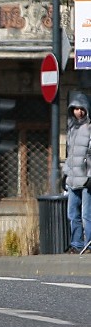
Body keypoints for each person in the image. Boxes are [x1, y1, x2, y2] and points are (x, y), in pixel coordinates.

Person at [61, 92, 91, 254]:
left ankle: (89, 245)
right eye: (75, 108)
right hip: (72, 179)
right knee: (72, 214)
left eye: (82, 108)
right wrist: (65, 174)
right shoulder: (72, 129)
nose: (78, 112)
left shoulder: (90, 128)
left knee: (87, 215)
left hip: (86, 179)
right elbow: (70, 155)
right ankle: (77, 244)